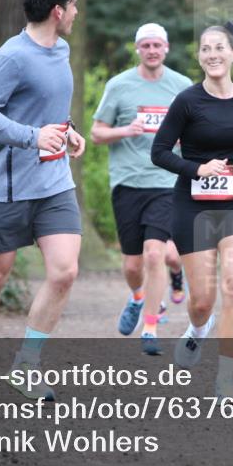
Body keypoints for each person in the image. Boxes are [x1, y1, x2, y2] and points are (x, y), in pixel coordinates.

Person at [0, 0, 86, 402]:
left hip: (54, 183)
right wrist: (33, 137)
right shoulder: (10, 57)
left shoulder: (62, 50)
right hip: (7, 186)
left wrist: (67, 131)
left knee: (65, 271)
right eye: (73, 4)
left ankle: (27, 365)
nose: (77, 12)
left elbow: (45, 107)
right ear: (57, 10)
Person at [150, 22, 233, 399]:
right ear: (199, 56)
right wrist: (197, 169)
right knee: (202, 301)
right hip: (192, 206)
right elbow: (159, 152)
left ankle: (225, 380)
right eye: (205, 48)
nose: (213, 54)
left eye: (220, 47)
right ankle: (197, 330)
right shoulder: (187, 101)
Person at [91, 22, 191, 356]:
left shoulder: (182, 86)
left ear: (166, 48)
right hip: (127, 183)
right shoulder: (119, 86)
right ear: (137, 49)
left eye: (157, 45)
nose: (151, 51)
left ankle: (150, 327)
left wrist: (186, 140)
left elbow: (198, 131)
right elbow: (97, 133)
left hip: (167, 182)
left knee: (155, 254)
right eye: (145, 45)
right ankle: (137, 297)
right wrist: (126, 130)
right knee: (133, 266)